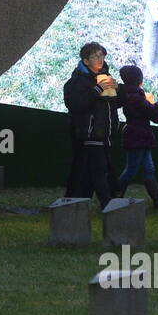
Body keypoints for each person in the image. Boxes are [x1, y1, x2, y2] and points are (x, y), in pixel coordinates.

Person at [63, 42, 121, 208]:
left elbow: (114, 104)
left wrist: (118, 89)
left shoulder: (105, 76)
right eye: (95, 56)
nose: (100, 59)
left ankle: (80, 201)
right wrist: (97, 90)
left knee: (92, 172)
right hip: (90, 133)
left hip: (105, 133)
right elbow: (75, 104)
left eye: (101, 55)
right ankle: (107, 204)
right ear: (86, 60)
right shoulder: (77, 81)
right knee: (99, 171)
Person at [115, 64, 158, 209]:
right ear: (138, 80)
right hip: (138, 135)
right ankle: (115, 197)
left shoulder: (129, 94)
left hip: (139, 135)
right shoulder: (134, 96)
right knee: (132, 168)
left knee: (148, 168)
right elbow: (151, 109)